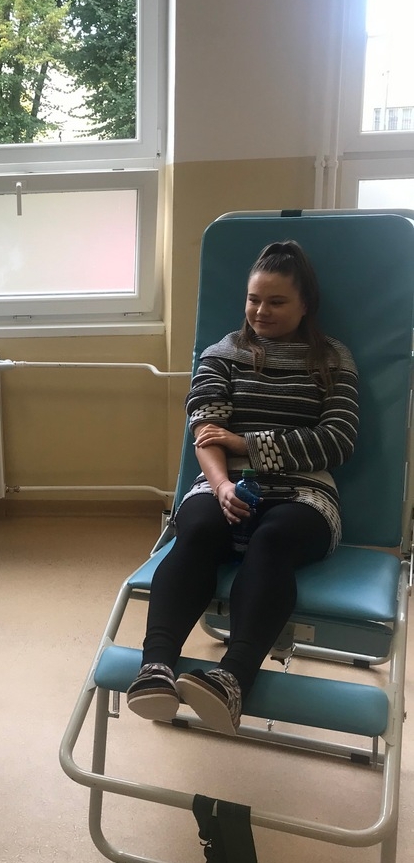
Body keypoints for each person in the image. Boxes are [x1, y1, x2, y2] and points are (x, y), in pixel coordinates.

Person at [125, 240, 358, 735]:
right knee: (196, 531)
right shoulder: (223, 354)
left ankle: (232, 679)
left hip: (304, 494)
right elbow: (205, 430)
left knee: (273, 540)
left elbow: (337, 442)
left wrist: (245, 443)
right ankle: (156, 668)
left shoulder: (333, 359)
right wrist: (221, 485)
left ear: (305, 304)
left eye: (276, 301)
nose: (261, 311)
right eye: (254, 299)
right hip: (223, 482)